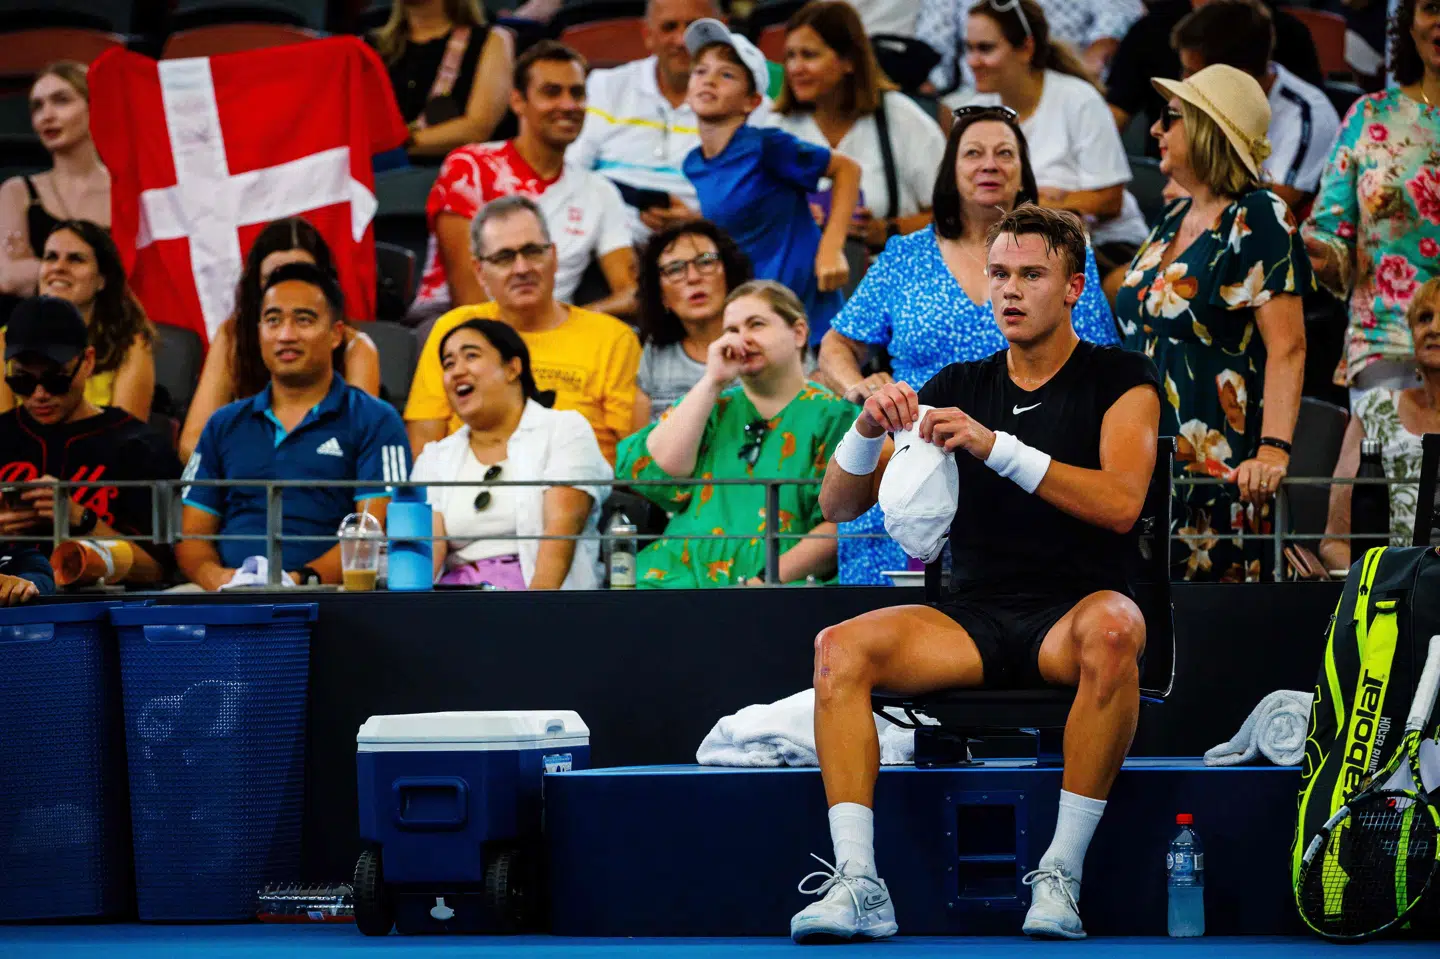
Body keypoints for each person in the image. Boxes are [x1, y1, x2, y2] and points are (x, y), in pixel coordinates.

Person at [795, 205, 1160, 943]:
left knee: (1117, 627)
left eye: (1032, 274)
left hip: (1072, 616)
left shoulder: (1124, 378)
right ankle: (859, 883)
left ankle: (1060, 874)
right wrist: (867, 428)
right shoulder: (957, 382)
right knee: (838, 647)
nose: (1010, 289)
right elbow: (839, 502)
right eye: (999, 274)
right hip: (969, 616)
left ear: (1074, 288)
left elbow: (1122, 503)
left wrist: (997, 447)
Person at [819, 106, 1120, 585]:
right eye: (973, 153)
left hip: (1020, 467)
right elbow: (835, 344)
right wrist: (862, 391)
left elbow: (1097, 363)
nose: (989, 164)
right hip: (911, 464)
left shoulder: (1063, 256)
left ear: (1023, 170)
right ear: (949, 170)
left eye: (1005, 153)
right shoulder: (905, 255)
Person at [1117, 64, 1309, 583]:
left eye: (1169, 117)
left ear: (1208, 130)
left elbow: (1288, 346)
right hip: (1145, 468)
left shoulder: (1259, 214)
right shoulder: (1174, 218)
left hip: (1219, 475)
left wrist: (1272, 452)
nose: (1155, 130)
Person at [177, 264, 412, 590]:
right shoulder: (223, 424)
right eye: (273, 321)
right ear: (259, 332)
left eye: (303, 320)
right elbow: (191, 535)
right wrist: (216, 579)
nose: (286, 334)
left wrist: (300, 580)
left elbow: (372, 531)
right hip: (224, 593)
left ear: (336, 334)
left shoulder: (376, 419)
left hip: (330, 593)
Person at [616, 280, 856, 587]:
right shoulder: (711, 405)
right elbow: (658, 471)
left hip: (782, 581)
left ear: (799, 333)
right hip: (681, 575)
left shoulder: (836, 416)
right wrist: (712, 381)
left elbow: (840, 526)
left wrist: (762, 581)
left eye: (756, 325)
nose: (742, 340)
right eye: (731, 330)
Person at [411, 40, 637, 324]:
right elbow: (469, 299)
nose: (568, 105)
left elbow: (631, 291)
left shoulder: (600, 191)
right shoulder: (470, 167)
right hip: (458, 327)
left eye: (577, 93)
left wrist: (570, 323)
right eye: (551, 92)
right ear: (517, 101)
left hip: (556, 337)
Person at [406, 195, 641, 463]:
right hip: (468, 494)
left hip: (578, 492)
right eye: (504, 257)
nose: (522, 268)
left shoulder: (612, 339)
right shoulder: (454, 330)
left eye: (532, 252)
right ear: (479, 270)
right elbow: (423, 448)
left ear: (553, 257)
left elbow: (633, 459)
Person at [681, 18, 862, 345]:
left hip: (809, 323)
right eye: (700, 71)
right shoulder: (694, 163)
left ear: (751, 101)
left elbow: (847, 169)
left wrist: (831, 249)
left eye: (726, 74)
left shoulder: (767, 146)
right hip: (751, 320)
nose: (709, 80)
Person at [953, 0, 1150, 294]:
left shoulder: (1078, 99)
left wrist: (1028, 204)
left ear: (1026, 48)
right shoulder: (975, 111)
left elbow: (1110, 200)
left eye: (985, 49)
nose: (972, 61)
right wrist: (1043, 200)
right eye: (968, 48)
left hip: (1102, 246)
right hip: (1010, 247)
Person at [1304, 0, 1440, 406]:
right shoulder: (1368, 116)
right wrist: (1316, 253)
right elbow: (1329, 234)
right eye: (1432, 7)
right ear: (1409, 25)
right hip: (1384, 343)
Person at [413, 318, 612, 589]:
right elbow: (425, 558)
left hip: (542, 602)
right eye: (448, 364)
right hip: (458, 602)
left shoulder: (564, 430)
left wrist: (531, 615)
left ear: (512, 368)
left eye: (471, 356)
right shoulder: (435, 458)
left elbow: (560, 532)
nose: (457, 370)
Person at [0, 296, 178, 586]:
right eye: (22, 381)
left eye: (56, 379)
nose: (39, 394)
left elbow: (157, 570)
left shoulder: (139, 446)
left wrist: (81, 519)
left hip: (97, 609)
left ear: (88, 362)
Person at [179, 217, 382, 462]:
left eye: (302, 276)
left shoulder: (355, 348)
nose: (289, 290)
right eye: (274, 279)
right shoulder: (233, 336)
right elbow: (192, 445)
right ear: (256, 286)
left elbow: (360, 446)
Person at [767, 1, 947, 250]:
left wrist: (887, 231)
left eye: (809, 55)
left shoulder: (901, 119)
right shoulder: (776, 128)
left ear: (849, 61)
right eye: (790, 56)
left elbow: (953, 218)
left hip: (888, 273)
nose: (795, 68)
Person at [568, 0, 727, 244]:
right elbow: (570, 172)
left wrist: (700, 222)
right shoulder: (605, 87)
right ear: (648, 35)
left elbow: (761, 208)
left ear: (722, 31)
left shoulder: (749, 105)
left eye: (695, 28)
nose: (681, 40)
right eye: (669, 27)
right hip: (601, 242)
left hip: (703, 245)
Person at [1311, 277, 1440, 572]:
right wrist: (1378, 586)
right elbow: (1335, 541)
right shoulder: (1375, 408)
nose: (1434, 328)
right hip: (1388, 593)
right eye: (1424, 318)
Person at [1171, 0, 1340, 213]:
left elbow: (1269, 210)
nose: (1185, 84)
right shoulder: (1200, 100)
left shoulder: (1307, 116)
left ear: (1239, 77)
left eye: (1194, 74)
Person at [1106, 0, 1324, 158]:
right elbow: (1114, 115)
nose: (1185, 83)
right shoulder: (1151, 28)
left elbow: (1275, 203)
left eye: (1192, 74)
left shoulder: (1301, 110)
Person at [0, 221, 154, 422]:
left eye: (76, 259)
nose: (58, 267)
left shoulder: (130, 346)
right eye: (51, 257)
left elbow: (125, 441)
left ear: (102, 280)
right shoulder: (5, 339)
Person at [0, 63, 110, 308]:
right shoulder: (17, 192)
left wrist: (36, 267)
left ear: (94, 106)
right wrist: (98, 273)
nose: (46, 115)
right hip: (33, 331)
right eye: (37, 106)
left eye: (61, 100)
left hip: (113, 333)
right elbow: (7, 278)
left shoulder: (124, 190)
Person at [636, 219, 753, 425]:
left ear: (729, 275)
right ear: (661, 296)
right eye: (674, 269)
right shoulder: (655, 352)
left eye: (706, 262)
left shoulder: (766, 338)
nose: (693, 277)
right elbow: (641, 449)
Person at [370, 0, 514, 162]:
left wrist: (393, 144)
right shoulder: (371, 45)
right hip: (378, 175)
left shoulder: (490, 41)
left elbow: (477, 129)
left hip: (457, 174)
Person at [922, 0, 1144, 92]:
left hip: (1063, 82)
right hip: (975, 91)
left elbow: (1119, 13)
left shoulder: (1078, 101)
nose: (973, 58)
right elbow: (933, 47)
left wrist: (1093, 60)